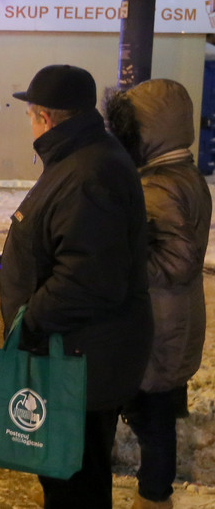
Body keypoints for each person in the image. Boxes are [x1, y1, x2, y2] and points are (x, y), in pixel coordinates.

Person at [0, 64, 152, 506]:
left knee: (74, 482)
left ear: (44, 117)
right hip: (79, 355)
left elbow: (87, 279)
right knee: (69, 476)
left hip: (82, 361)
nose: (29, 123)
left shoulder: (89, 172)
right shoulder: (80, 157)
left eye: (30, 114)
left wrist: (29, 321)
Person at [105, 79, 211, 509]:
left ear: (148, 130)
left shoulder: (158, 187)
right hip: (176, 316)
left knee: (153, 415)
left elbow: (176, 261)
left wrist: (120, 267)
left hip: (158, 322)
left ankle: (153, 497)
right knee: (158, 408)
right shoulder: (185, 175)